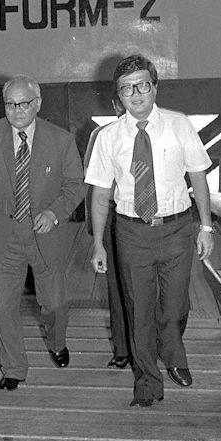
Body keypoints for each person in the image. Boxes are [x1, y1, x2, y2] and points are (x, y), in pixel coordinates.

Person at [86, 55, 214, 407]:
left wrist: (205, 226)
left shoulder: (179, 124)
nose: (136, 93)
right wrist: (98, 243)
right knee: (138, 310)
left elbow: (199, 177)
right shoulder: (108, 138)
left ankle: (172, 353)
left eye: (143, 85)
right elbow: (100, 195)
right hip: (131, 233)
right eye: (127, 88)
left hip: (177, 230)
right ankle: (147, 382)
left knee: (174, 308)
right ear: (118, 95)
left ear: (154, 87)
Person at [0, 75, 85, 390]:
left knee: (55, 303)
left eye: (23, 103)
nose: (16, 110)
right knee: (5, 305)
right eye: (10, 104)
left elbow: (76, 186)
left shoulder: (61, 140)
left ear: (38, 104)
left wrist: (54, 212)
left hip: (46, 234)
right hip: (3, 234)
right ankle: (13, 368)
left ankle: (56, 340)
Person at [84, 124, 130, 369]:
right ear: (115, 103)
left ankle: (149, 345)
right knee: (116, 284)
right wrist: (96, 235)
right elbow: (92, 180)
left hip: (152, 215)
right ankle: (122, 349)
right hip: (114, 211)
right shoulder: (102, 136)